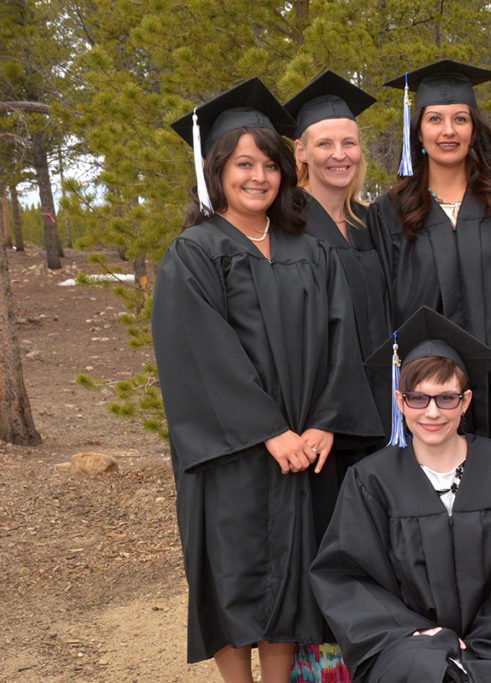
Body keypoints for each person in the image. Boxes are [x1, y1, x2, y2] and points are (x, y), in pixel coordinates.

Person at [155, 78, 382, 683]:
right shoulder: (195, 252)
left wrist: (324, 423)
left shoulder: (310, 249)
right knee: (234, 577)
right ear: (216, 172)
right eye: (242, 164)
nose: (257, 177)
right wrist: (269, 432)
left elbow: (343, 340)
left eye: (268, 165)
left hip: (305, 448)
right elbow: (200, 356)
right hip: (233, 452)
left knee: (291, 579)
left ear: (286, 172)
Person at [310, 307, 491, 683]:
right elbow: (346, 576)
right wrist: (411, 634)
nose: (432, 412)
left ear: (465, 401)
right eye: (418, 399)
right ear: (400, 402)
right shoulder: (370, 481)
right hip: (404, 648)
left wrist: (483, 642)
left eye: (446, 398)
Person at [371, 60, 491, 483]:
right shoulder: (389, 213)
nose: (448, 131)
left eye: (460, 119)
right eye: (435, 119)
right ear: (419, 133)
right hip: (430, 390)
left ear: (474, 128)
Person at [283, 72, 390, 682]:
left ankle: (372, 652)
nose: (339, 155)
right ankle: (321, 665)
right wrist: (322, 414)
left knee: (371, 541)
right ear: (299, 152)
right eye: (324, 143)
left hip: (378, 414)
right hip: (323, 419)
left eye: (349, 143)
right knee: (326, 542)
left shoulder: (369, 224)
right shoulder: (286, 225)